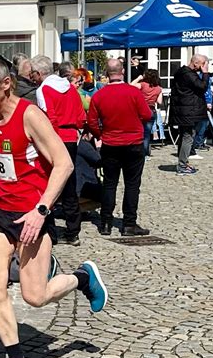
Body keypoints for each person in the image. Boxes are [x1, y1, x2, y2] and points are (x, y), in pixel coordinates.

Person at [0, 59, 108, 358]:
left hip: (32, 214)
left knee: (35, 296)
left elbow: (64, 164)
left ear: (6, 84)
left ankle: (82, 278)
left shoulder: (30, 116)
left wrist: (41, 210)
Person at [87, 59, 152, 236]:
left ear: (107, 74)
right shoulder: (133, 92)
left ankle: (106, 223)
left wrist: (100, 134)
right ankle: (129, 223)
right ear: (122, 71)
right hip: (133, 143)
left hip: (110, 143)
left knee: (109, 184)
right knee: (132, 185)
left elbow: (91, 121)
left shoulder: (99, 96)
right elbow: (147, 114)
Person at [31, 55, 86, 246]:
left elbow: (48, 117)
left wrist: (50, 141)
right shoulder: (70, 88)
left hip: (56, 138)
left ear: (39, 73)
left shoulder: (44, 89)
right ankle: (73, 231)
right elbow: (80, 116)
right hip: (72, 136)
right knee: (70, 184)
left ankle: (50, 231)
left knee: (50, 183)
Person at [170, 54, 210, 175]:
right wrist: (206, 74)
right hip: (188, 110)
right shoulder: (189, 74)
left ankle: (183, 162)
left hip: (183, 109)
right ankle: (182, 165)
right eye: (203, 64)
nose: (203, 67)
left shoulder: (181, 73)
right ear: (196, 63)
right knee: (188, 136)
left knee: (184, 135)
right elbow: (202, 87)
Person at [131, 69, 163, 158]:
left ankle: (137, 151)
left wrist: (138, 78)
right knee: (147, 133)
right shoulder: (159, 88)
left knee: (138, 132)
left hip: (140, 110)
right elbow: (159, 101)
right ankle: (144, 154)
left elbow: (130, 86)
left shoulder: (142, 85)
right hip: (151, 111)